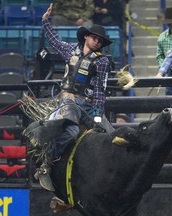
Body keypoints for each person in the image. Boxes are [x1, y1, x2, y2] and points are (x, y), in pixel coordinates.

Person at [35, 3, 114, 191]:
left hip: (87, 105)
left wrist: (97, 112)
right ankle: (46, 164)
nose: (97, 42)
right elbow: (54, 41)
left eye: (100, 41)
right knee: (70, 132)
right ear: (86, 36)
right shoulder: (71, 50)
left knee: (110, 133)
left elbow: (100, 89)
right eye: (94, 38)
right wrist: (46, 22)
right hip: (68, 101)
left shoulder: (102, 61)